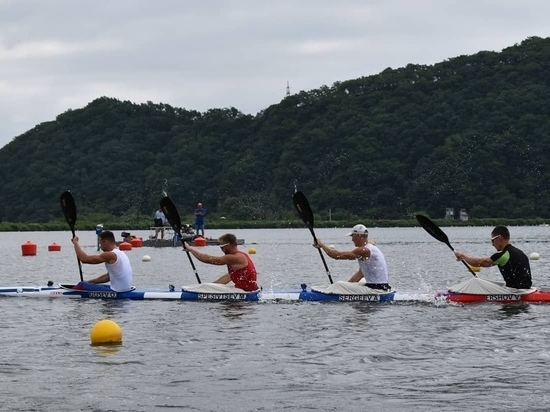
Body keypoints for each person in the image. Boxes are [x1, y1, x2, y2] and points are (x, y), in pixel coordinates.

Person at [313, 224, 391, 290]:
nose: (352, 239)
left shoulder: (364, 250)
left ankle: (325, 292)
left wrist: (322, 245)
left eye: (352, 236)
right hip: (382, 287)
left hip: (376, 289)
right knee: (355, 282)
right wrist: (347, 287)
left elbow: (337, 255)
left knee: (339, 284)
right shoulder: (371, 248)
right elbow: (361, 273)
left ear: (358, 236)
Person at [454, 225, 532, 289]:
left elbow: (477, 263)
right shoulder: (520, 253)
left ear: (499, 238)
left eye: (492, 240)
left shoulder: (504, 255)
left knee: (476, 282)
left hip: (516, 293)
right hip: (526, 290)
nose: (492, 244)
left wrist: (463, 256)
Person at [183, 233, 259, 291]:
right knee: (207, 286)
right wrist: (211, 285)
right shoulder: (241, 256)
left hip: (245, 291)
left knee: (205, 286)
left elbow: (207, 259)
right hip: (249, 290)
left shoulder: (234, 257)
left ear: (228, 246)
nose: (221, 249)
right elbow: (228, 277)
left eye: (221, 247)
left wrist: (190, 249)